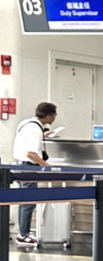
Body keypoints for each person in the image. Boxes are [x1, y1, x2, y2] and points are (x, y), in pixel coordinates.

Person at [12, 102, 58, 248]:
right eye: (54, 114)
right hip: (28, 167)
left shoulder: (27, 123)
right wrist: (46, 166)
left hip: (20, 165)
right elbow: (31, 154)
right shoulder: (35, 130)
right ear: (49, 115)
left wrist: (43, 135)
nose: (55, 117)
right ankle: (23, 235)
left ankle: (23, 232)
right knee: (28, 201)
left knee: (25, 200)